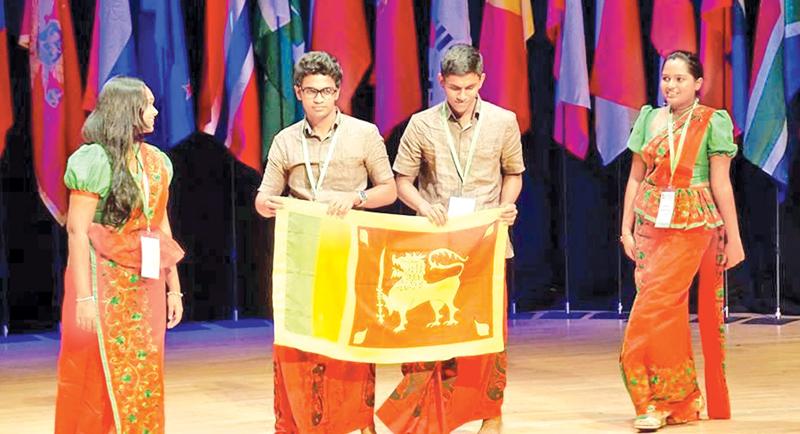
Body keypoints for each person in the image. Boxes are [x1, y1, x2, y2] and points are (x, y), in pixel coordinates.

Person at [376, 44, 524, 434]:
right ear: (441, 82)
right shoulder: (422, 124)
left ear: (482, 82)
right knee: (434, 332)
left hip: (485, 244)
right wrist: (424, 206)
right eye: (455, 88)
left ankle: (491, 415)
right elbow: (401, 181)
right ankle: (430, 418)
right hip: (436, 248)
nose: (461, 96)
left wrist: (506, 206)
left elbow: (513, 173)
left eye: (470, 88)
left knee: (486, 336)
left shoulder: (503, 121)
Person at [255, 51, 397, 434]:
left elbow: (389, 189)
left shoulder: (363, 133)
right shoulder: (285, 140)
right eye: (312, 91)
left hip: (350, 249)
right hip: (302, 252)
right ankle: (305, 420)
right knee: (303, 341)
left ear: (338, 92)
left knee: (351, 338)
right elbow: (263, 197)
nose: (320, 98)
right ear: (299, 92)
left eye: (328, 91)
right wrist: (271, 204)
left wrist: (356, 198)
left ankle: (360, 422)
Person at [619, 50, 745, 432]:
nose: (670, 85)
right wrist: (625, 228)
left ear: (697, 83)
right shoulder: (649, 118)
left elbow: (721, 183)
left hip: (692, 225)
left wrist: (734, 238)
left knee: (653, 309)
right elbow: (637, 177)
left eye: (679, 79)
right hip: (650, 224)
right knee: (666, 313)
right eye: (666, 78)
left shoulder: (712, 121)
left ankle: (651, 398)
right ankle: (676, 401)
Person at [55, 76, 185, 434]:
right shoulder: (94, 159)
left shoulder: (156, 161)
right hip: (100, 278)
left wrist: (174, 287)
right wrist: (84, 297)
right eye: (149, 105)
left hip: (146, 284)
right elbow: (77, 230)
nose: (156, 111)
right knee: (92, 373)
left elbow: (161, 226)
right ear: (128, 111)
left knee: (145, 367)